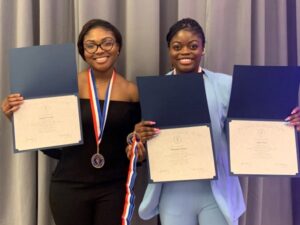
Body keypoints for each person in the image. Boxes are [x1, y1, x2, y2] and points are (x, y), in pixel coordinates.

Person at [127, 18, 300, 225]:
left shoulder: (225, 85)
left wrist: (288, 119)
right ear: (169, 50)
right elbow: (141, 135)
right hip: (173, 193)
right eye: (177, 46)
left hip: (216, 193)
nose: (185, 52)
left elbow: (254, 121)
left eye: (193, 46)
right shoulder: (155, 91)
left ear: (203, 49)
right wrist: (136, 136)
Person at [1, 19, 145, 225]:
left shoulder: (133, 92)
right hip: (69, 186)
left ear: (118, 47)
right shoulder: (66, 87)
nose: (99, 50)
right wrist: (19, 119)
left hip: (114, 188)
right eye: (90, 45)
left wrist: (137, 152)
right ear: (82, 51)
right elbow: (48, 143)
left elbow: (136, 142)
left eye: (107, 42)